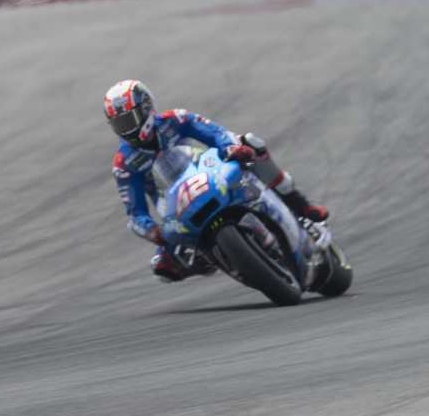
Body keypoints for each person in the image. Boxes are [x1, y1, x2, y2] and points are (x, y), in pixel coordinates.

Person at [104, 79, 329, 282]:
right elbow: (135, 213)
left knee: (252, 145)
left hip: (207, 172)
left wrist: (231, 147)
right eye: (119, 124)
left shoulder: (176, 119)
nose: (126, 129)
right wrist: (154, 232)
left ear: (146, 108)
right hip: (174, 207)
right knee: (164, 268)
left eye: (129, 120)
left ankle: (301, 206)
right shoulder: (124, 164)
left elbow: (214, 133)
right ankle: (217, 257)